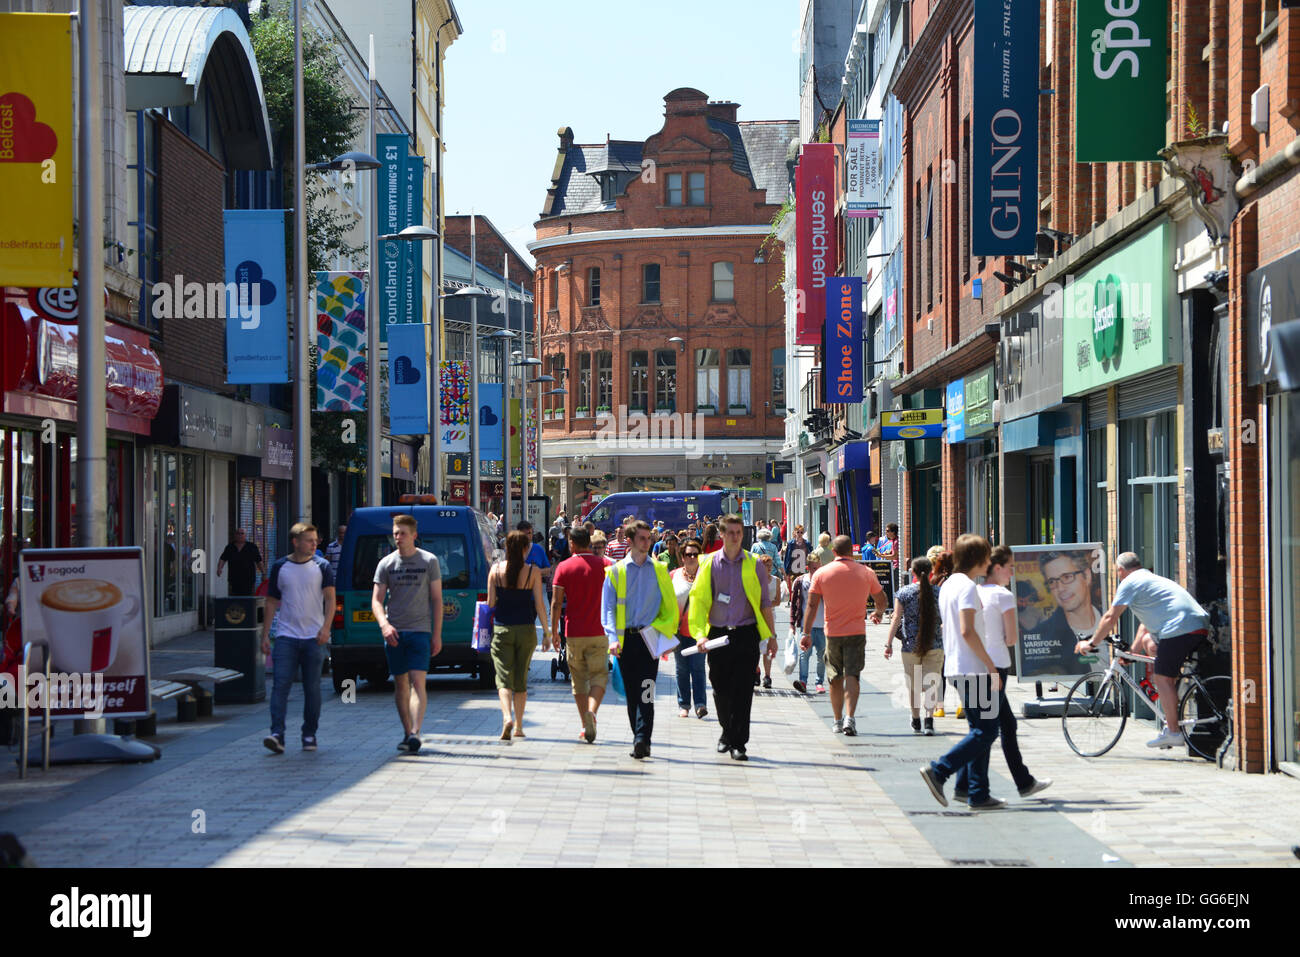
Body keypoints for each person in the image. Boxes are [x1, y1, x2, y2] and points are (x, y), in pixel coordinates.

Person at [1075, 552, 1213, 749]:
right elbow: (1144, 626)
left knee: (1161, 678)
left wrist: (1092, 643)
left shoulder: (1130, 582)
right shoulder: (1150, 579)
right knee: (1151, 644)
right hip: (1194, 625)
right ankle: (1173, 708)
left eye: (1117, 573)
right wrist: (1132, 652)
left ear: (1120, 571)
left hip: (1180, 628)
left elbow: (1110, 617)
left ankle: (1174, 732)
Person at [957, 545, 1051, 800]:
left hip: (975, 663)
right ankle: (966, 785)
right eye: (1010, 567)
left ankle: (1022, 781)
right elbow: (1011, 639)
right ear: (997, 568)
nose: (1012, 572)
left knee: (1003, 724)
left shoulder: (973, 591)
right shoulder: (1003, 595)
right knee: (985, 730)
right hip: (996, 665)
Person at [919, 534, 1005, 811]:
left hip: (956, 666)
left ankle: (973, 791)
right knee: (986, 730)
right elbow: (967, 630)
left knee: (978, 729)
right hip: (973, 668)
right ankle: (940, 770)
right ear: (978, 559)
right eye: (987, 556)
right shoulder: (967, 588)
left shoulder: (948, 585)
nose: (990, 561)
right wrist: (991, 666)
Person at [688, 514, 777, 761]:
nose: (736, 537)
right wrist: (698, 635)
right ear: (722, 534)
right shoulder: (709, 563)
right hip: (717, 634)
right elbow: (698, 601)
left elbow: (764, 603)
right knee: (719, 687)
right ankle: (727, 731)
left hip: (746, 634)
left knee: (743, 690)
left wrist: (771, 636)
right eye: (731, 532)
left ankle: (739, 743)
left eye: (739, 533)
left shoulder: (754, 563)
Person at [600, 520, 680, 759]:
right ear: (631, 541)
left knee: (647, 691)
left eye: (649, 538)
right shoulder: (615, 571)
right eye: (643, 538)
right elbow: (608, 609)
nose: (648, 542)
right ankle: (638, 735)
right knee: (632, 693)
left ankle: (642, 740)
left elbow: (671, 606)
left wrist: (663, 631)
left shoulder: (659, 570)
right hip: (625, 641)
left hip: (649, 638)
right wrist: (612, 639)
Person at [371, 514, 444, 754]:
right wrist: (384, 624)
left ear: (414, 535)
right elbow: (376, 601)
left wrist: (437, 634)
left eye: (402, 533)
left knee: (417, 681)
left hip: (420, 631)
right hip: (394, 632)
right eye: (395, 534)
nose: (398, 538)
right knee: (400, 684)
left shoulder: (429, 561)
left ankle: (415, 731)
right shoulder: (386, 564)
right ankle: (407, 732)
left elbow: (436, 599)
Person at [801, 535, 886, 735]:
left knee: (834, 677)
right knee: (853, 676)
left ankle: (837, 720)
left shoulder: (821, 574)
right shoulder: (866, 572)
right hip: (856, 631)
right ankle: (850, 718)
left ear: (834, 552)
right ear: (851, 551)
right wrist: (878, 613)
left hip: (832, 633)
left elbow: (812, 605)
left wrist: (805, 632)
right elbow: (881, 599)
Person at [261, 523, 335, 753]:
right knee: (280, 685)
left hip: (314, 637)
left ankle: (309, 734)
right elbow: (272, 601)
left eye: (316, 540)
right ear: (296, 542)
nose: (315, 544)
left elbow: (331, 599)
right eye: (309, 540)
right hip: (286, 636)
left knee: (312, 688)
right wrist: (265, 635)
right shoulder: (280, 567)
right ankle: (277, 734)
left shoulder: (322, 566)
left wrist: (326, 628)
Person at [488, 531, 549, 739]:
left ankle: (507, 717)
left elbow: (490, 603)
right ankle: (520, 727)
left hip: (502, 629)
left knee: (503, 679)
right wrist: (547, 633)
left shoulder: (495, 570)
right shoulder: (533, 572)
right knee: (521, 679)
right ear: (525, 549)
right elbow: (540, 605)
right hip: (526, 629)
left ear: (506, 548)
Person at [550, 526, 608, 743]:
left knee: (578, 682)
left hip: (573, 632)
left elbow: (556, 603)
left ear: (572, 543)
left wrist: (554, 631)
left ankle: (585, 725)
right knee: (599, 676)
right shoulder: (605, 565)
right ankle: (592, 712)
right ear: (589, 543)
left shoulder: (564, 567)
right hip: (599, 631)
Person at [884, 556, 942, 735]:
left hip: (910, 645)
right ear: (932, 571)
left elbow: (895, 618)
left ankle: (916, 719)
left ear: (913, 572)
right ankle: (929, 720)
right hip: (935, 644)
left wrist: (888, 643)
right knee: (932, 683)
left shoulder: (904, 593)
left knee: (913, 684)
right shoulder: (939, 592)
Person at [1038, 550, 1106, 659]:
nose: (1060, 588)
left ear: (1087, 576)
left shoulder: (1112, 621)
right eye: (1052, 582)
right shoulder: (1043, 635)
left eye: (1067, 577)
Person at [670, 540, 708, 718]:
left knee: (698, 667)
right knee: (681, 668)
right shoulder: (674, 575)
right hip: (678, 630)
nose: (692, 557)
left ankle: (700, 704)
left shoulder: (706, 576)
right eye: (688, 554)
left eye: (695, 554)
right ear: (682, 557)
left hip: (699, 631)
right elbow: (666, 603)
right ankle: (683, 704)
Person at [789, 551, 826, 694]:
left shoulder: (824, 581)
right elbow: (794, 604)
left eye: (819, 568)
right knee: (804, 655)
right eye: (814, 568)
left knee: (822, 656)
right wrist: (792, 623)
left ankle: (819, 682)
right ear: (808, 567)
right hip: (806, 625)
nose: (817, 571)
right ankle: (803, 681)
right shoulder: (800, 581)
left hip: (822, 624)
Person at [755, 553, 781, 688]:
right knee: (756, 645)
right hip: (756, 616)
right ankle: (756, 671)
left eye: (771, 566)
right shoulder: (755, 580)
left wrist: (766, 604)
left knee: (767, 646)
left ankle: (768, 676)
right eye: (766, 566)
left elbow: (777, 601)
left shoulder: (776, 580)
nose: (769, 568)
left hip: (771, 615)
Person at [218, 529, 266, 596]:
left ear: (245, 535)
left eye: (242, 533)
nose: (240, 535)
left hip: (249, 579)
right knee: (234, 600)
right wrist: (219, 569)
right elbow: (223, 559)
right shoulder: (230, 547)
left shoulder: (252, 547)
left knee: (248, 600)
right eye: (238, 533)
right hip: (234, 579)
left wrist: (263, 573)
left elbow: (259, 561)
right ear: (235, 535)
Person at [783, 524, 810, 597]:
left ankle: (801, 602)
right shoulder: (791, 543)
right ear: (795, 532)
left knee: (802, 587)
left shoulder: (806, 543)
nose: (800, 534)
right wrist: (786, 570)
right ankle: (794, 603)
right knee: (794, 587)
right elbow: (787, 557)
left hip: (803, 568)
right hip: (793, 569)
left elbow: (810, 554)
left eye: (801, 532)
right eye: (798, 532)